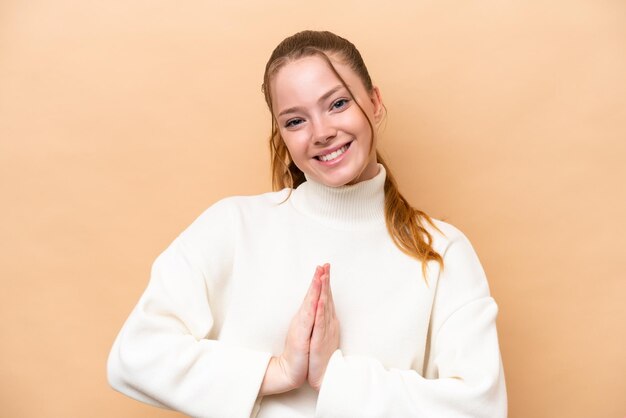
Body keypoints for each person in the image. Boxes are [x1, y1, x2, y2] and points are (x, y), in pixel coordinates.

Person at [107, 30, 507, 418]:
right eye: (295, 121)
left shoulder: (441, 251)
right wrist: (278, 371)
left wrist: (335, 377)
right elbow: (135, 355)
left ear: (374, 101)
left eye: (337, 104)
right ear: (281, 133)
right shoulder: (233, 226)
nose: (321, 133)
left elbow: (482, 407)